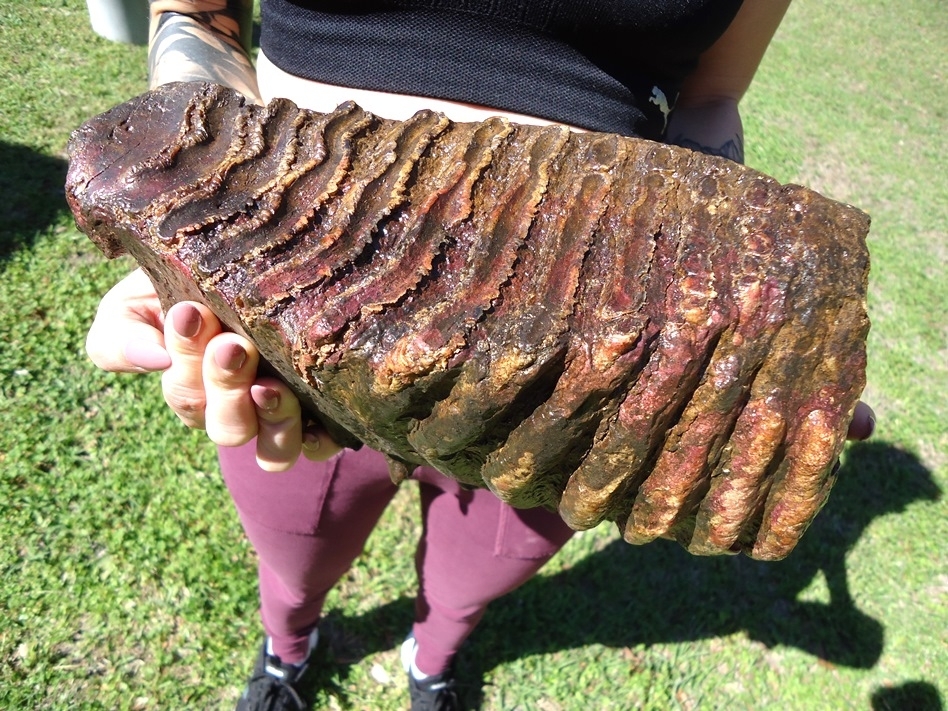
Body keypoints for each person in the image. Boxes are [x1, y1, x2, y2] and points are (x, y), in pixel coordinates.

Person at [85, 1, 876, 709]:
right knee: (295, 554)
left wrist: (727, 315)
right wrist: (190, 193)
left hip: (583, 358)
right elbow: (196, 10)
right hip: (296, 318)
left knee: (480, 572)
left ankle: (433, 662)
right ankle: (289, 649)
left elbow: (710, 98)